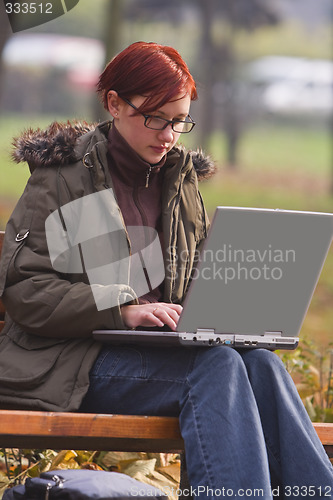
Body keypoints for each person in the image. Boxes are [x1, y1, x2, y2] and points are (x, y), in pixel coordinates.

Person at [0, 41, 332, 499]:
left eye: (179, 120)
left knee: (260, 365)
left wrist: (228, 312)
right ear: (114, 103)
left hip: (158, 352)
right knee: (215, 370)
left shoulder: (180, 182)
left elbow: (192, 277)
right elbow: (25, 290)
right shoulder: (62, 179)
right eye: (155, 117)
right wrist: (123, 309)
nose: (169, 134)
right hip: (71, 359)